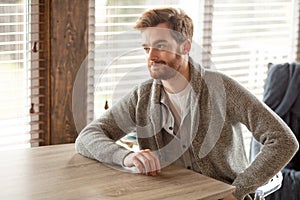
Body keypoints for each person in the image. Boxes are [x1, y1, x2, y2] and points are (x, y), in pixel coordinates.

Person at [75, 7, 299, 200]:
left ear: (185, 47)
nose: (151, 56)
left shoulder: (221, 88)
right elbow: (88, 136)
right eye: (146, 48)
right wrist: (126, 156)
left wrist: (238, 191)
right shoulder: (142, 96)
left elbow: (284, 141)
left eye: (160, 46)